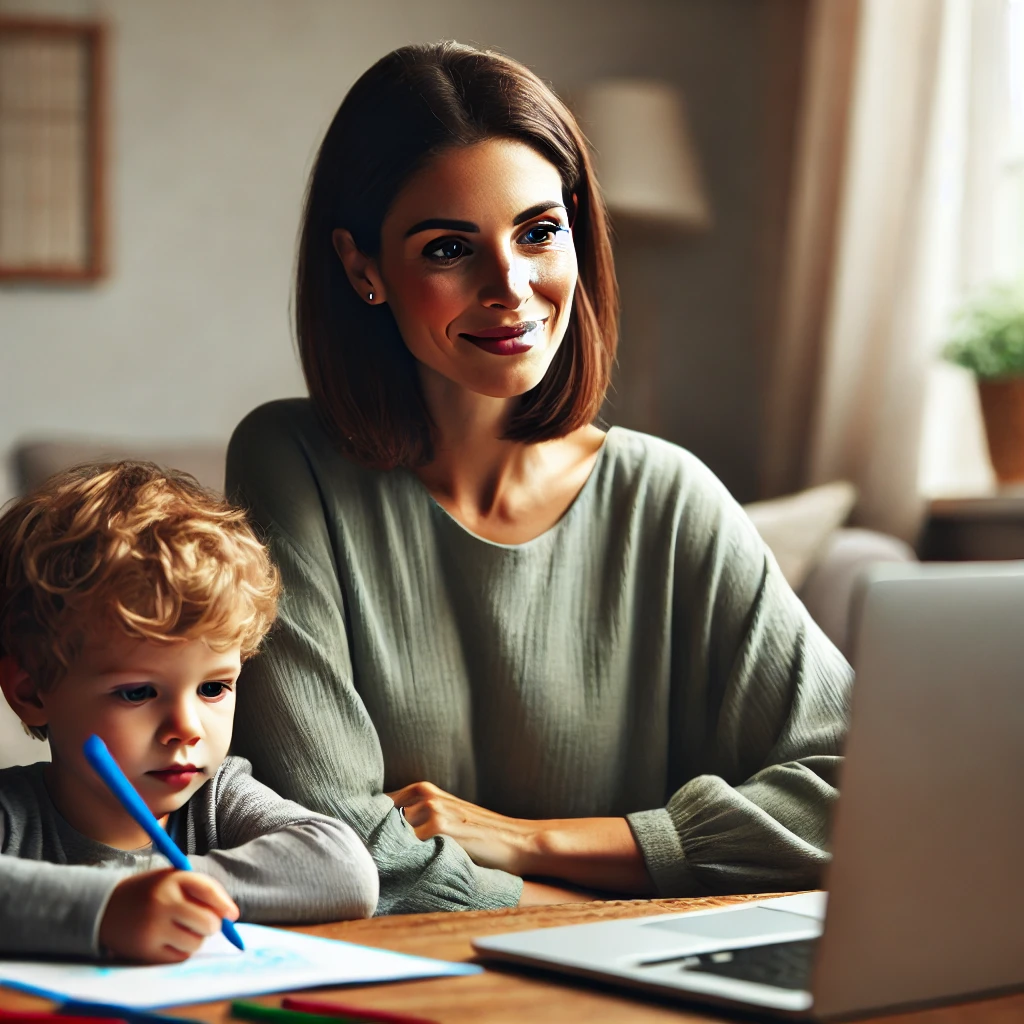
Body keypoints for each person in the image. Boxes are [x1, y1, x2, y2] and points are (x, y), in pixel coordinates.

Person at [226, 41, 853, 915]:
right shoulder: (289, 465)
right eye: (449, 248)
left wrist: (530, 840)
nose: (511, 288)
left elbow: (855, 797)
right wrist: (590, 902)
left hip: (640, 986)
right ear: (363, 268)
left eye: (538, 231)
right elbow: (333, 839)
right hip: (409, 982)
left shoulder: (667, 498)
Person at [0, 462, 379, 961]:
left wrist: (170, 885)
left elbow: (345, 870)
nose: (187, 728)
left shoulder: (218, 801)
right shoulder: (15, 817)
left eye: (214, 688)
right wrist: (107, 907)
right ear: (30, 691)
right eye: (137, 693)